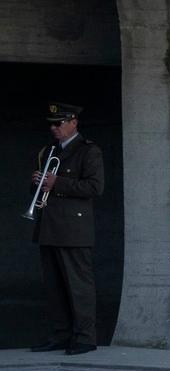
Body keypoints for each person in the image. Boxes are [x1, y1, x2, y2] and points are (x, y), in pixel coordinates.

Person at [29, 103, 104, 356]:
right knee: (54, 286)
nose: (54, 128)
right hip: (48, 227)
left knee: (78, 286)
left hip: (74, 228)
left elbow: (95, 188)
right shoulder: (48, 151)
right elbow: (42, 191)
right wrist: (38, 184)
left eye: (58, 123)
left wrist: (56, 182)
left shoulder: (88, 151)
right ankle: (60, 335)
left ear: (73, 122)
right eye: (51, 124)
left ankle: (85, 338)